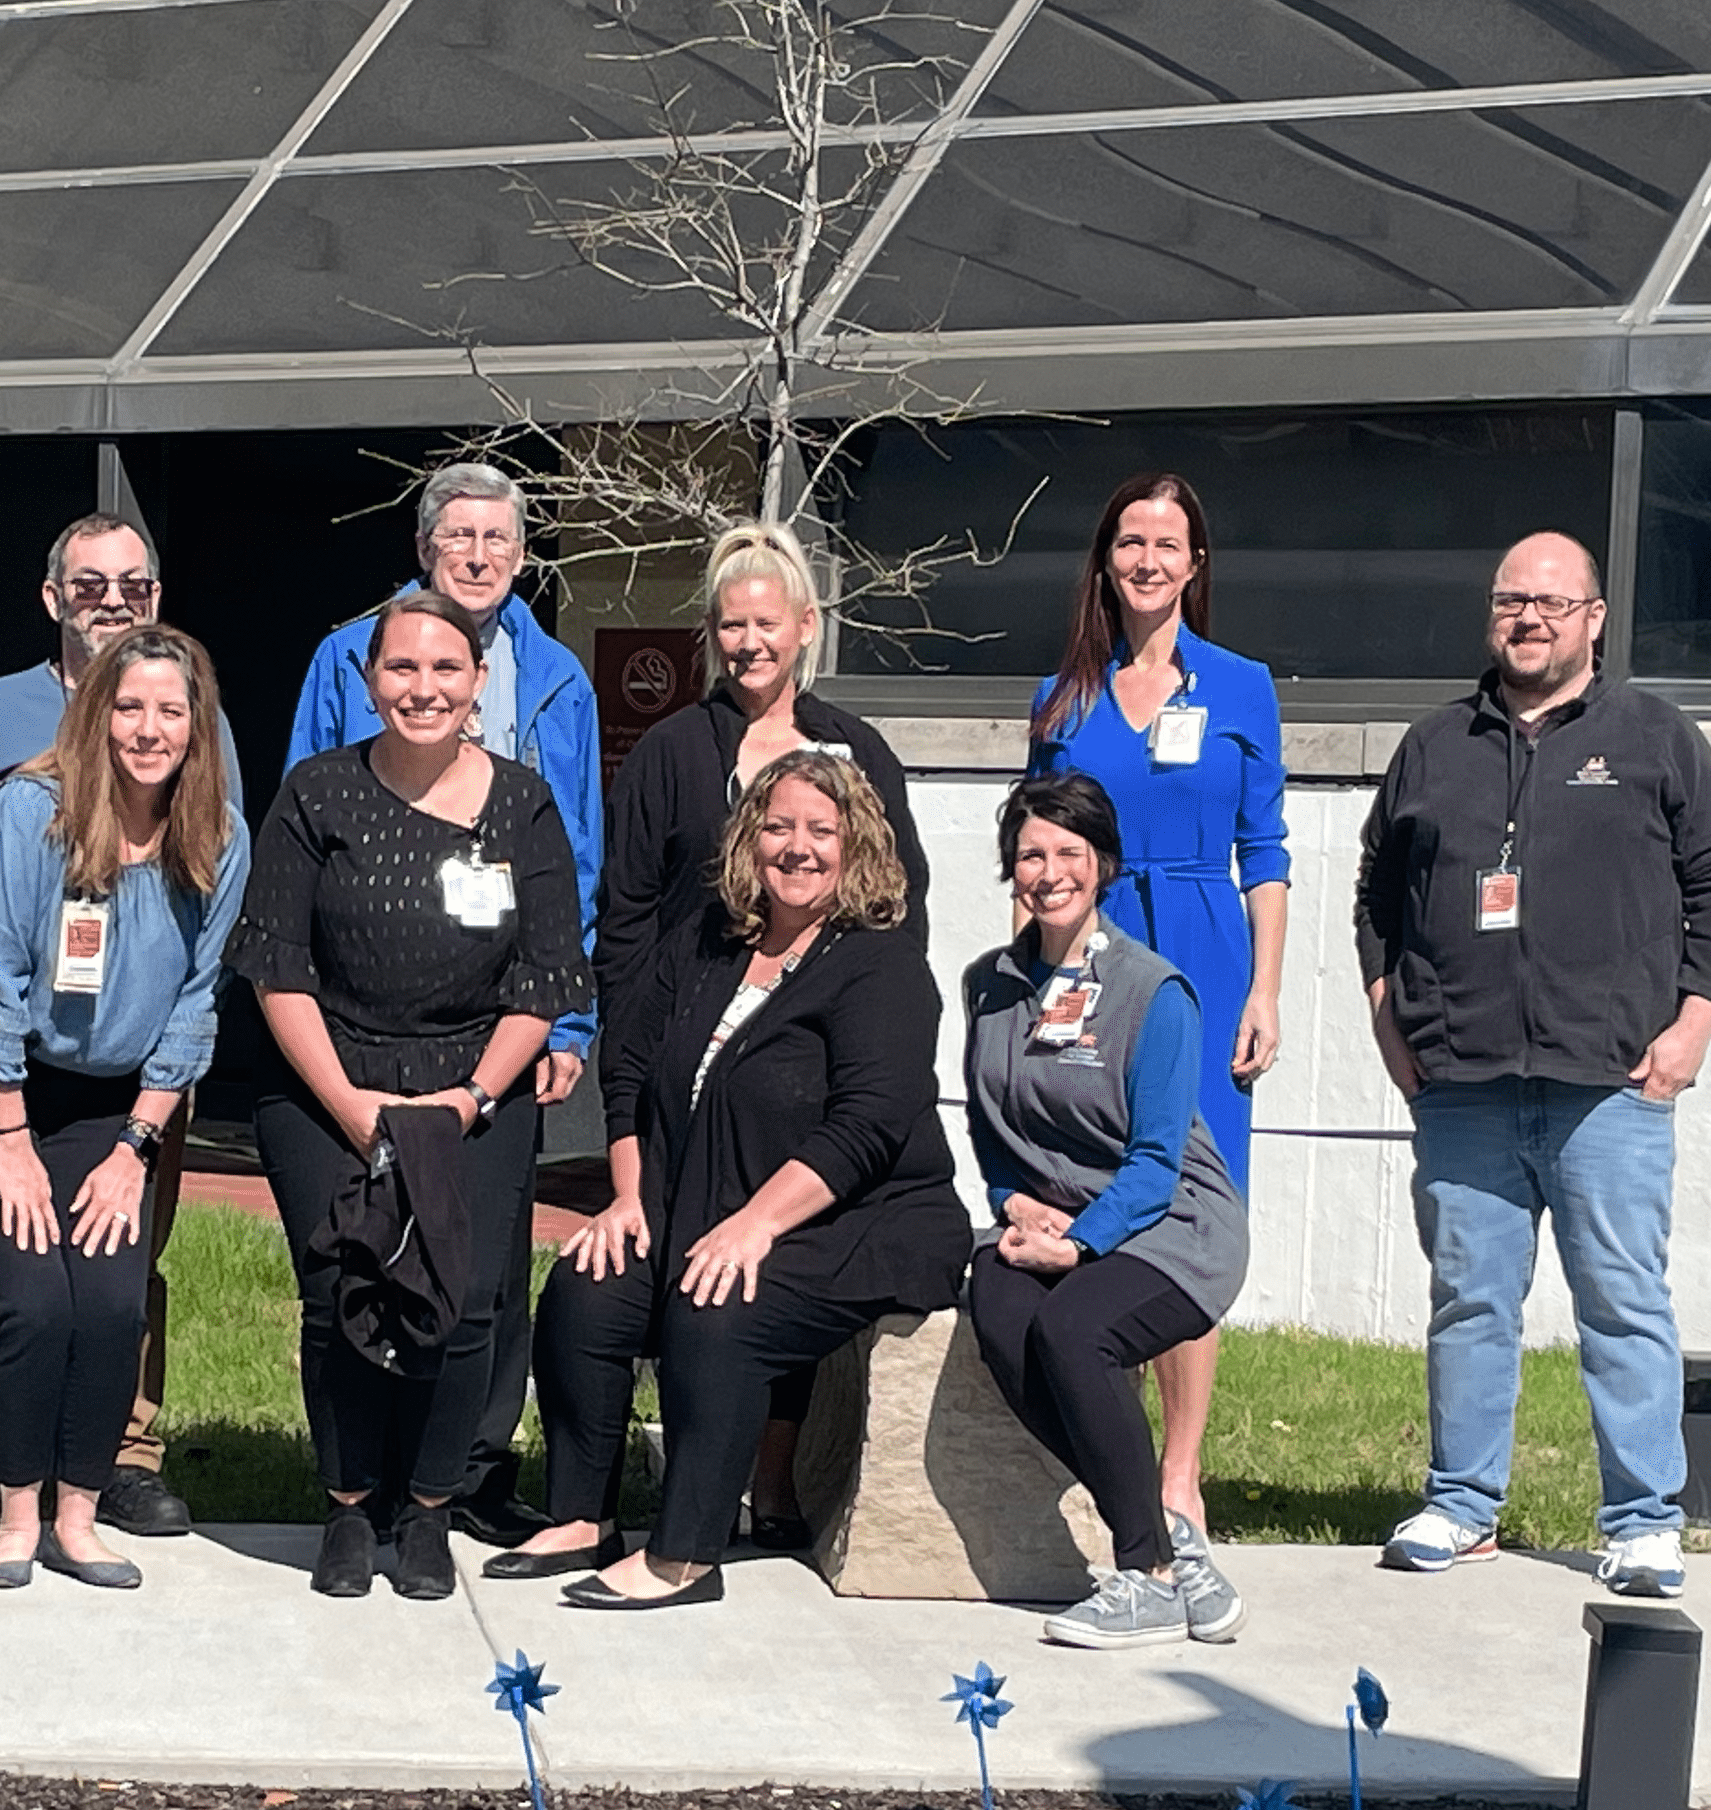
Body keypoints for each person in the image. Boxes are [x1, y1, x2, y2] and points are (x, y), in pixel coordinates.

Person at [1354, 531, 1711, 1600]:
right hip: (1466, 1085)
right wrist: (1388, 1013)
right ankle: (1460, 1504)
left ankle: (1641, 1520)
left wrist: (1694, 1026)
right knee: (1468, 1303)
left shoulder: (1655, 738)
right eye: (1509, 602)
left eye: (1549, 602)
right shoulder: (1435, 745)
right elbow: (1377, 891)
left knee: (1621, 1300)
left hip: (1612, 1084)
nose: (1527, 619)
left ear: (1591, 620)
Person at [500, 749, 963, 1610]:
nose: (798, 848)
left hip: (857, 1217)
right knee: (587, 1287)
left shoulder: (881, 965)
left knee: (717, 1308)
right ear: (750, 841)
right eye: (779, 827)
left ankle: (685, 1553)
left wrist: (757, 1224)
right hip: (694, 1197)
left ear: (856, 845)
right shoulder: (708, 943)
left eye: (821, 832)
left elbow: (868, 1125)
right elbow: (630, 1069)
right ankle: (580, 1516)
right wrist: (630, 1196)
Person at [236, 590, 588, 1602]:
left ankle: (429, 1508)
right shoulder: (318, 794)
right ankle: (349, 1506)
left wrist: (469, 1099)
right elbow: (276, 965)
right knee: (337, 1292)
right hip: (326, 1081)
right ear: (368, 680)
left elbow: (547, 974)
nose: (423, 689)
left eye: (446, 670)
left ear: (479, 684)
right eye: (402, 669)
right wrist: (351, 1104)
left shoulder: (521, 804)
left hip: (474, 1084)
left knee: (469, 1301)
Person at [590, 516, 933, 1552]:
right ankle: (647, 1487)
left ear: (805, 628)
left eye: (767, 623)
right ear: (711, 632)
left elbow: (896, 901)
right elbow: (629, 914)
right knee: (661, 1273)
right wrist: (632, 1048)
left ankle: (773, 1486)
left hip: (807, 1069)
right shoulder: (671, 751)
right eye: (731, 624)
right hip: (688, 1058)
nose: (749, 642)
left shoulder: (854, 750)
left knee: (765, 1267)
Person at [287, 461, 602, 1539]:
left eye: (498, 540)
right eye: (459, 535)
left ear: (521, 557)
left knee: (489, 1256)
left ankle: (469, 1468)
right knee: (358, 1244)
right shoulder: (347, 654)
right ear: (425, 547)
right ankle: (364, 1473)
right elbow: (309, 820)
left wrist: (568, 1015)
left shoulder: (558, 674)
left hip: (505, 1009)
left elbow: (582, 847)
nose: (478, 554)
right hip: (361, 1006)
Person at [0, 625, 246, 1593]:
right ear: (97, 715)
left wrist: (137, 1146)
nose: (149, 729)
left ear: (197, 724)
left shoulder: (218, 834)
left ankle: (80, 1518)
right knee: (35, 1294)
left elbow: (192, 1007)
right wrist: (11, 1144)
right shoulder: (31, 813)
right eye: (129, 707)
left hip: (110, 1092)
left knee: (107, 1297)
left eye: (170, 711)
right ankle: (15, 1514)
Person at [1026, 473, 1288, 1644]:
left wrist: (1267, 989)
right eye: (1127, 538)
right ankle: (1117, 1471)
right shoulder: (1064, 695)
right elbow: (1038, 850)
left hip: (1202, 958)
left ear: (1195, 562)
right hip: (1090, 959)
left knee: (1184, 1214)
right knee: (1098, 1195)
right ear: (1106, 558)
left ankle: (1179, 1483)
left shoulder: (1240, 689)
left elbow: (1265, 849)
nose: (1145, 559)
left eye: (1166, 542)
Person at [960, 774, 1251, 1651]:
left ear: (1104, 866)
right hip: (1049, 1217)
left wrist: (1079, 1246)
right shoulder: (988, 986)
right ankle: (1173, 1549)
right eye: (1029, 855)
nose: (1047, 872)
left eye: (1067, 854)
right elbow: (989, 1125)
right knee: (1004, 1316)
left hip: (1170, 1224)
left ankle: (1146, 1572)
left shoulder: (1153, 991)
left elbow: (1159, 1161)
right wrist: (1013, 1204)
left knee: (1073, 1331)